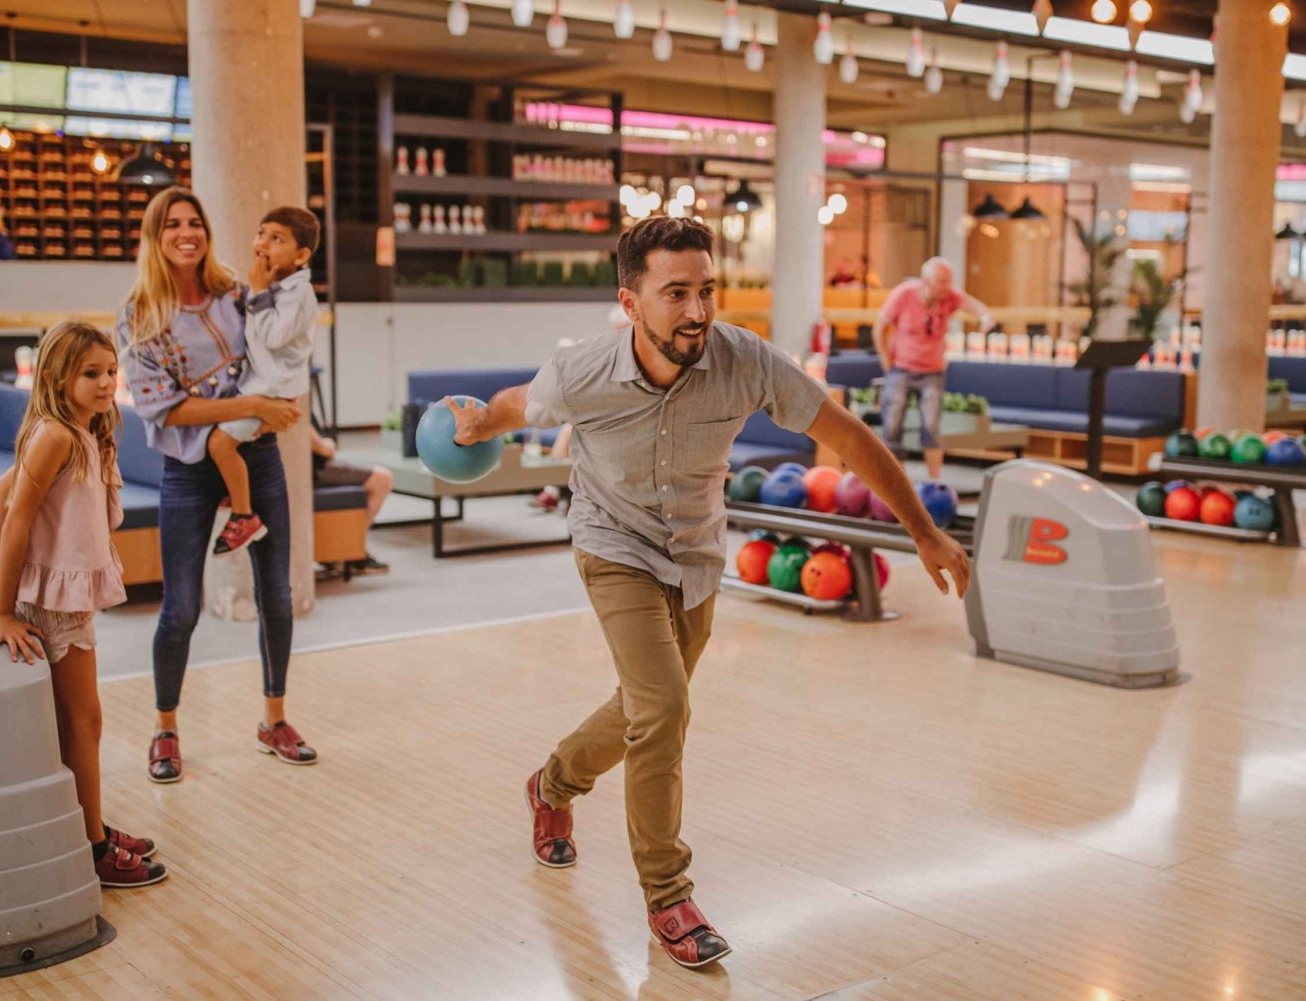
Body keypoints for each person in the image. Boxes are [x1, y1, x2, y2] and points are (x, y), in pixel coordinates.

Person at [447, 217, 970, 970]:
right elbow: (515, 404)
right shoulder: (583, 371)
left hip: (694, 554)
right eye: (675, 294)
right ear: (630, 303)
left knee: (642, 705)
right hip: (613, 544)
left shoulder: (746, 361)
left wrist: (922, 530)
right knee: (663, 706)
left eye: (706, 290)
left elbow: (850, 437)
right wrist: (472, 424)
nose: (697, 311)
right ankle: (669, 896)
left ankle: (551, 781)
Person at [116, 186, 315, 782]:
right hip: (187, 470)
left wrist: (273, 403)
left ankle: (274, 719)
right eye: (172, 224)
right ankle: (166, 729)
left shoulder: (236, 293)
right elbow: (163, 410)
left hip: (258, 456)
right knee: (180, 607)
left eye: (194, 222)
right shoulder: (137, 316)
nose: (186, 232)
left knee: (275, 595)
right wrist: (251, 401)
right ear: (155, 238)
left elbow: (286, 347)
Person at [0, 320, 166, 888]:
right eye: (91, 373)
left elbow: (1, 487)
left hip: (63, 596)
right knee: (83, 720)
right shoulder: (56, 435)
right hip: (50, 603)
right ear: (58, 377)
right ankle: (90, 848)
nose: (106, 382)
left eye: (110, 372)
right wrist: (0, 606)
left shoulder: (83, 431)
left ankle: (88, 825)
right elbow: (15, 515)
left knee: (79, 719)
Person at [207, 206, 321, 555]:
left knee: (219, 445)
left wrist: (257, 290)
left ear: (301, 255)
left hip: (272, 389)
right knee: (227, 441)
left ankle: (244, 514)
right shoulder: (276, 287)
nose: (264, 243)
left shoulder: (298, 293)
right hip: (264, 385)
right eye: (261, 233)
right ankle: (236, 487)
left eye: (277, 238)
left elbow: (272, 336)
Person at [871, 257, 994, 480]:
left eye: (950, 282)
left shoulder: (949, 298)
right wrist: (887, 366)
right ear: (927, 282)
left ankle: (935, 482)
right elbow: (879, 328)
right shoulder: (904, 294)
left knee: (932, 428)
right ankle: (897, 481)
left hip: (932, 373)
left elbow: (976, 306)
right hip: (901, 369)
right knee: (892, 427)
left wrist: (985, 318)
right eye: (942, 282)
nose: (948, 287)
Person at [309, 416, 393, 574]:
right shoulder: (291, 398)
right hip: (315, 470)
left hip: (315, 467)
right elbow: (321, 447)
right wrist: (328, 445)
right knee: (383, 479)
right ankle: (351, 549)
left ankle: (345, 549)